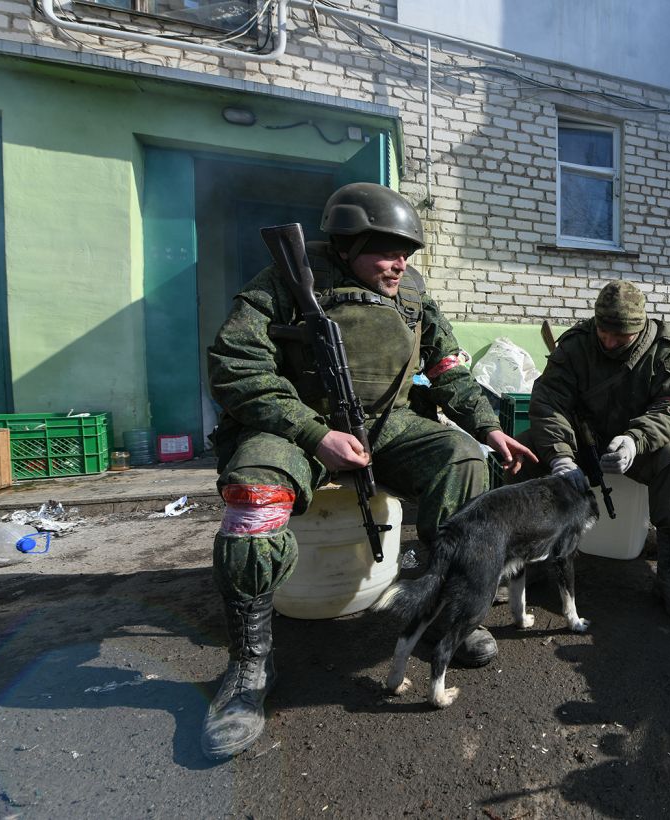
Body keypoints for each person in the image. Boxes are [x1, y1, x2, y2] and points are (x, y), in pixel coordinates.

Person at [201, 182, 535, 759]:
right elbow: (236, 366)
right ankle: (249, 667)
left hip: (386, 424)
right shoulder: (283, 281)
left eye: (405, 251)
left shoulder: (412, 294)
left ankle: (440, 613)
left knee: (461, 462)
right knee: (253, 501)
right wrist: (314, 433)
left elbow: (449, 367)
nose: (398, 262)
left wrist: (487, 428)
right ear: (346, 243)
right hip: (296, 425)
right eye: (385, 250)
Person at [525, 280, 670, 625]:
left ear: (639, 328)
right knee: (527, 449)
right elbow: (548, 401)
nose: (608, 342)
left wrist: (636, 439)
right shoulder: (577, 344)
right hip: (579, 442)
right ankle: (525, 565)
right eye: (603, 333)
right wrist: (560, 455)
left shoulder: (662, 350)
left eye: (620, 338)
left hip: (638, 445)